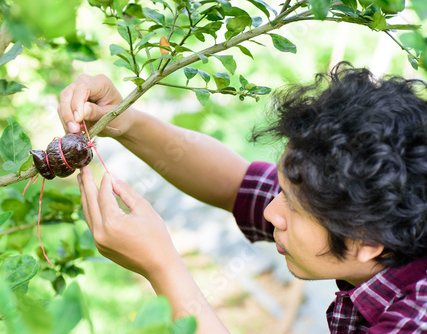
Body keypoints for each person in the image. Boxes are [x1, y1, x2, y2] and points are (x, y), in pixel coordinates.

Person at [57, 62, 427, 333]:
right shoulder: (377, 211)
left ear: (367, 241)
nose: (270, 211)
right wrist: (127, 123)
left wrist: (162, 267)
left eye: (293, 208)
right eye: (282, 190)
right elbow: (236, 184)